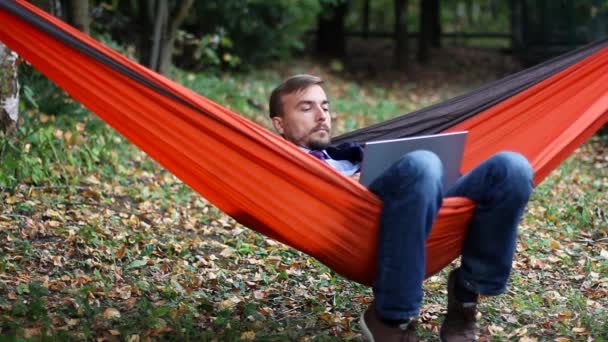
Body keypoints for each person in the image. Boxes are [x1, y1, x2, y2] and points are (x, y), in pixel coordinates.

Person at [268, 74, 533, 342]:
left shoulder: (348, 153)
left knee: (513, 169)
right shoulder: (285, 168)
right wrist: (347, 184)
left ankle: (466, 295)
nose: (321, 115)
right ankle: (391, 317)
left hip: (426, 203)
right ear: (279, 124)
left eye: (324, 107)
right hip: (367, 221)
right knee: (423, 163)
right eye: (306, 107)